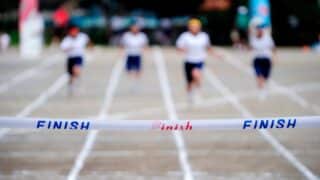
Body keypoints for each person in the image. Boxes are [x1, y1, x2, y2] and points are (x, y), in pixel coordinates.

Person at [176, 18, 221, 104]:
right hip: (189, 60)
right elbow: (179, 47)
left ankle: (198, 90)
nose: (194, 28)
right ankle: (190, 94)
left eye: (196, 26)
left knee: (196, 74)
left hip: (199, 60)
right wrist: (182, 49)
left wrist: (216, 55)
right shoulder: (185, 36)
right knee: (189, 82)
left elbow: (208, 47)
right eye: (192, 26)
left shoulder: (204, 36)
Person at [60, 25, 90, 94]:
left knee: (76, 70)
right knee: (71, 75)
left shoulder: (82, 36)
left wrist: (90, 47)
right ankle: (71, 86)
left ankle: (78, 82)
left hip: (78, 57)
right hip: (71, 58)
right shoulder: (67, 39)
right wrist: (70, 47)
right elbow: (63, 48)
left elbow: (88, 41)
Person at [249, 25, 276, 100]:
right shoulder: (253, 39)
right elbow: (251, 49)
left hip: (266, 59)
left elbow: (273, 48)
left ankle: (264, 88)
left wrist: (273, 59)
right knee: (258, 77)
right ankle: (261, 92)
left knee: (265, 77)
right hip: (257, 59)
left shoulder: (268, 38)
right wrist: (251, 59)